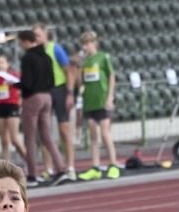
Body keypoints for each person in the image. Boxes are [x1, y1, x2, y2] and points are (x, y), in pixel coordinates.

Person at [17, 30, 69, 187]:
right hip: (47, 96)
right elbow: (52, 79)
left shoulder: (27, 58)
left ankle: (32, 175)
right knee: (47, 136)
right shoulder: (46, 57)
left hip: (33, 98)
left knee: (30, 138)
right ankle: (60, 168)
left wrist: (16, 85)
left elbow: (27, 83)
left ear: (26, 41)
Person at [34, 23, 78, 182]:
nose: (36, 38)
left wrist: (70, 93)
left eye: (38, 35)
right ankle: (48, 168)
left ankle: (70, 166)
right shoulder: (35, 53)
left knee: (64, 129)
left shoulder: (55, 49)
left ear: (45, 34)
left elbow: (69, 71)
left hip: (59, 90)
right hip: (44, 91)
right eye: (34, 36)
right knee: (44, 131)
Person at [76, 31, 120, 180]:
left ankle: (113, 165)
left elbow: (111, 77)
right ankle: (95, 167)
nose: (85, 47)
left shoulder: (103, 57)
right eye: (83, 44)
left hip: (102, 100)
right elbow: (81, 82)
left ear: (94, 43)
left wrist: (110, 97)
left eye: (87, 44)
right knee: (93, 136)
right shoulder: (84, 62)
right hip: (89, 102)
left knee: (105, 134)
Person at [0, 54, 27, 165]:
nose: (0, 65)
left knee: (14, 138)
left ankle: (28, 160)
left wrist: (21, 99)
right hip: (0, 107)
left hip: (12, 105)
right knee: (3, 139)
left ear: (8, 64)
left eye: (2, 62)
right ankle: (6, 165)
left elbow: (24, 86)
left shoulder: (14, 76)